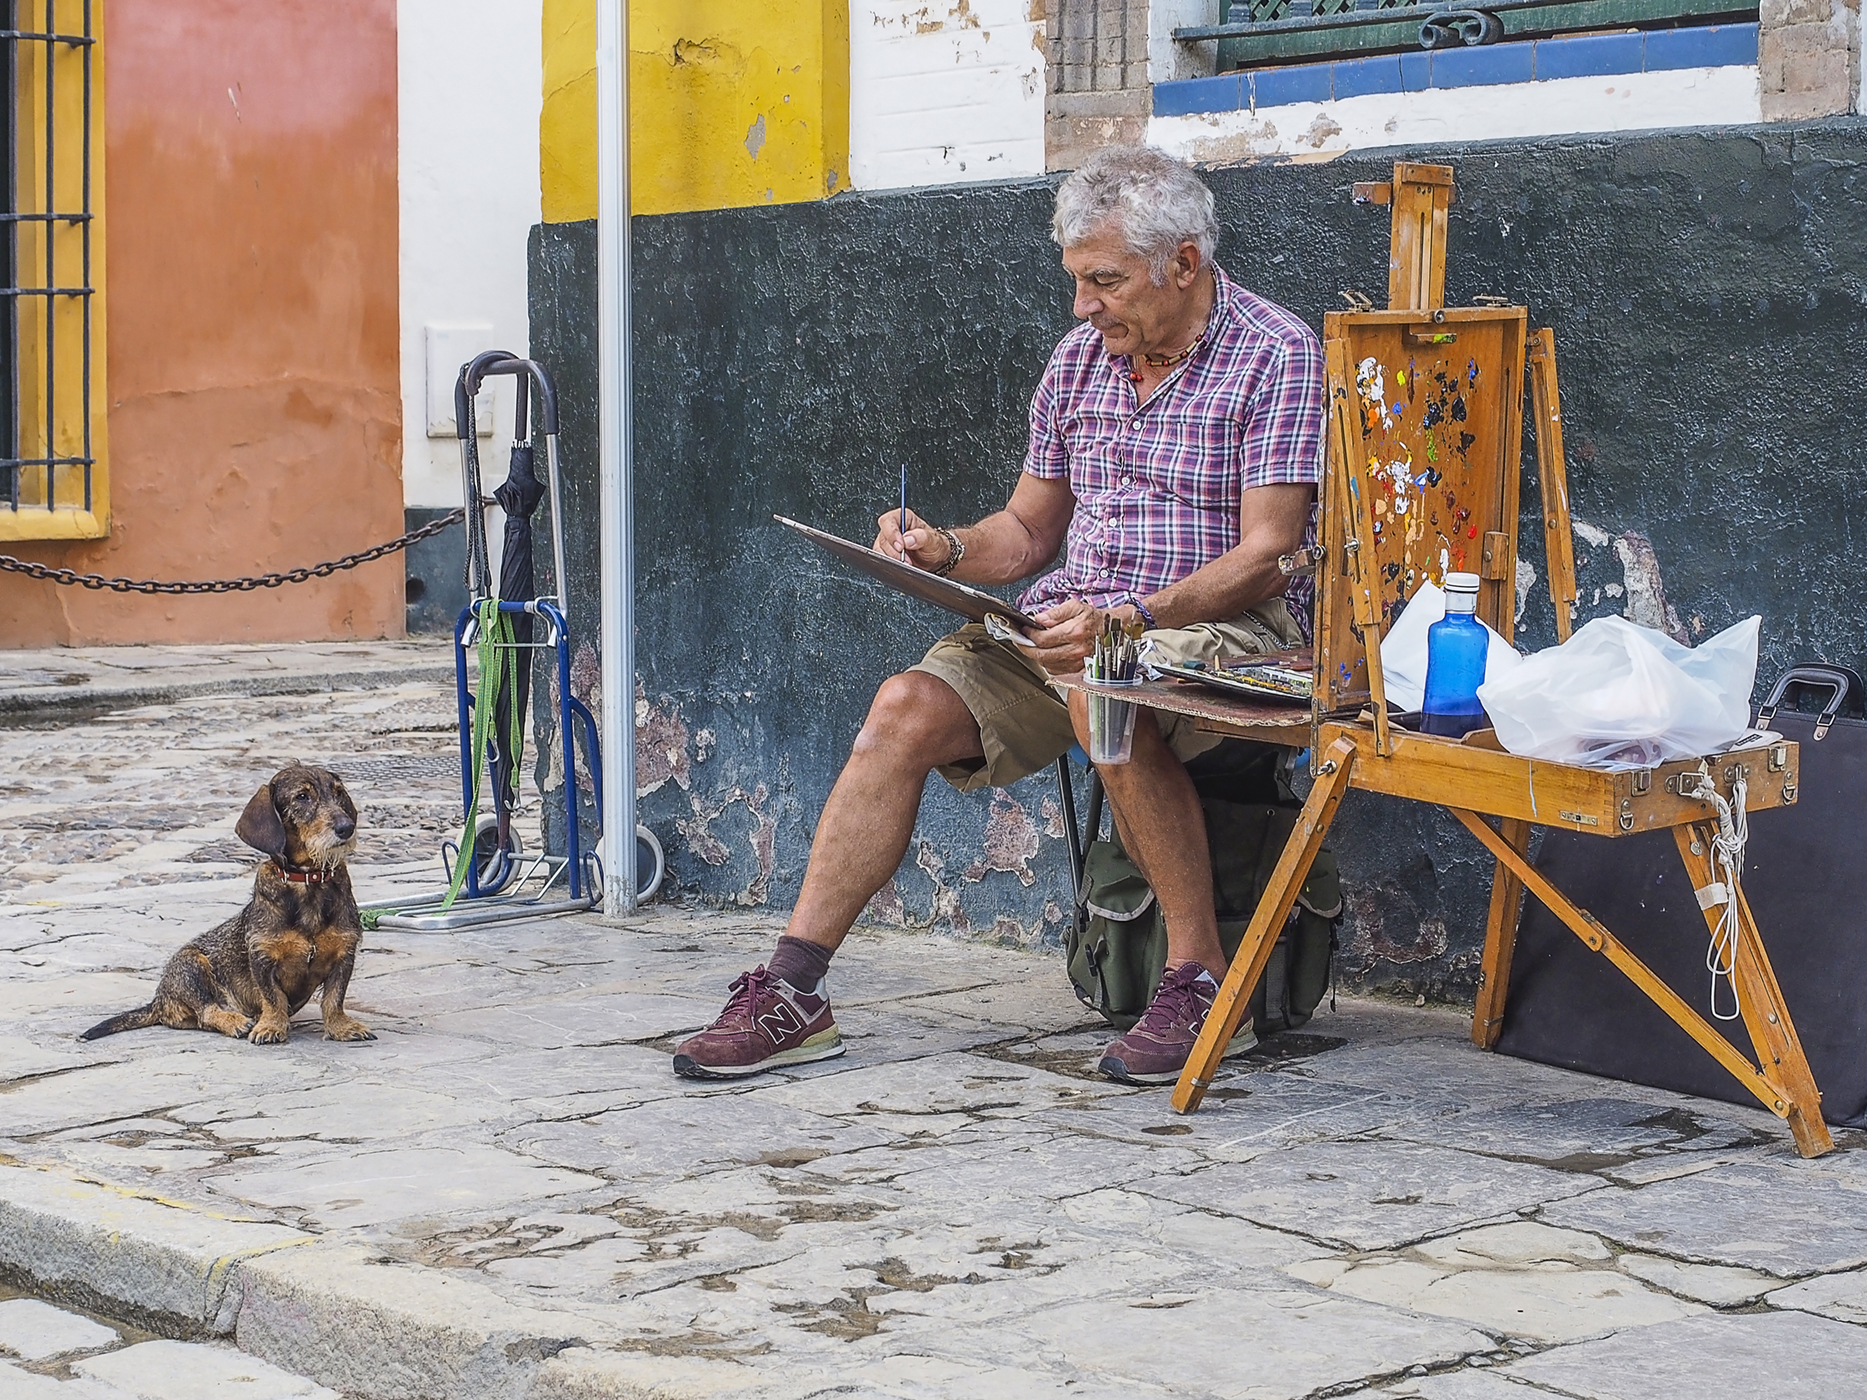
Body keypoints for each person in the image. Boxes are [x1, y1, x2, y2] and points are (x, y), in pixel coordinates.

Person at [674, 145, 1324, 1086]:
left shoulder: (1275, 352)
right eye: (1075, 281)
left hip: (1219, 627)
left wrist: (1127, 617)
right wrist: (942, 548)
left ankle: (1196, 977)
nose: (1082, 306)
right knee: (903, 707)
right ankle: (792, 989)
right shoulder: (1078, 362)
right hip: (1072, 630)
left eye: (1103, 281)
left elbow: (1268, 552)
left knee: (1098, 684)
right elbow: (1024, 534)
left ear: (1182, 263)